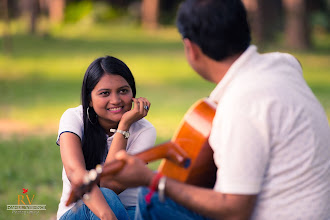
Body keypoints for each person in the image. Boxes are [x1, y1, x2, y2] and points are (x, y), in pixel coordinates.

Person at [106, 0, 330, 219]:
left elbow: (235, 210)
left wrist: (152, 180)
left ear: (191, 48)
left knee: (153, 196)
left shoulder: (241, 104)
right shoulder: (284, 65)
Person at [56, 55, 157, 220]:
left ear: (133, 93)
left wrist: (124, 126)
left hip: (129, 212)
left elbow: (110, 183)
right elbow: (75, 173)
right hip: (79, 213)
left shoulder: (144, 131)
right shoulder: (74, 118)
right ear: (89, 99)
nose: (116, 100)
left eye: (123, 91)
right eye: (104, 93)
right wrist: (106, 215)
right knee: (106, 197)